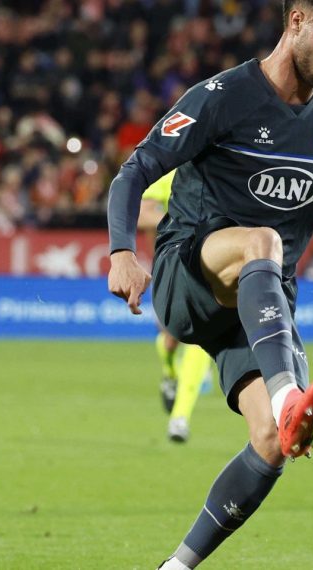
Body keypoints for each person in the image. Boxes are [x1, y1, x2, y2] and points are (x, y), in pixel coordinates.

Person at [107, 1, 313, 567]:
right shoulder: (221, 96)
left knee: (275, 443)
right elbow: (136, 169)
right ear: (297, 20)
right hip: (189, 276)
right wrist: (123, 252)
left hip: (260, 306)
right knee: (263, 242)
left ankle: (176, 566)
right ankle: (287, 399)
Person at [138, 169, 214, 443]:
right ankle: (170, 373)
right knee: (170, 341)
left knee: (200, 339)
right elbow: (142, 215)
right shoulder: (171, 173)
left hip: (211, 272)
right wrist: (183, 221)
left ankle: (180, 418)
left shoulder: (225, 169)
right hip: (171, 270)